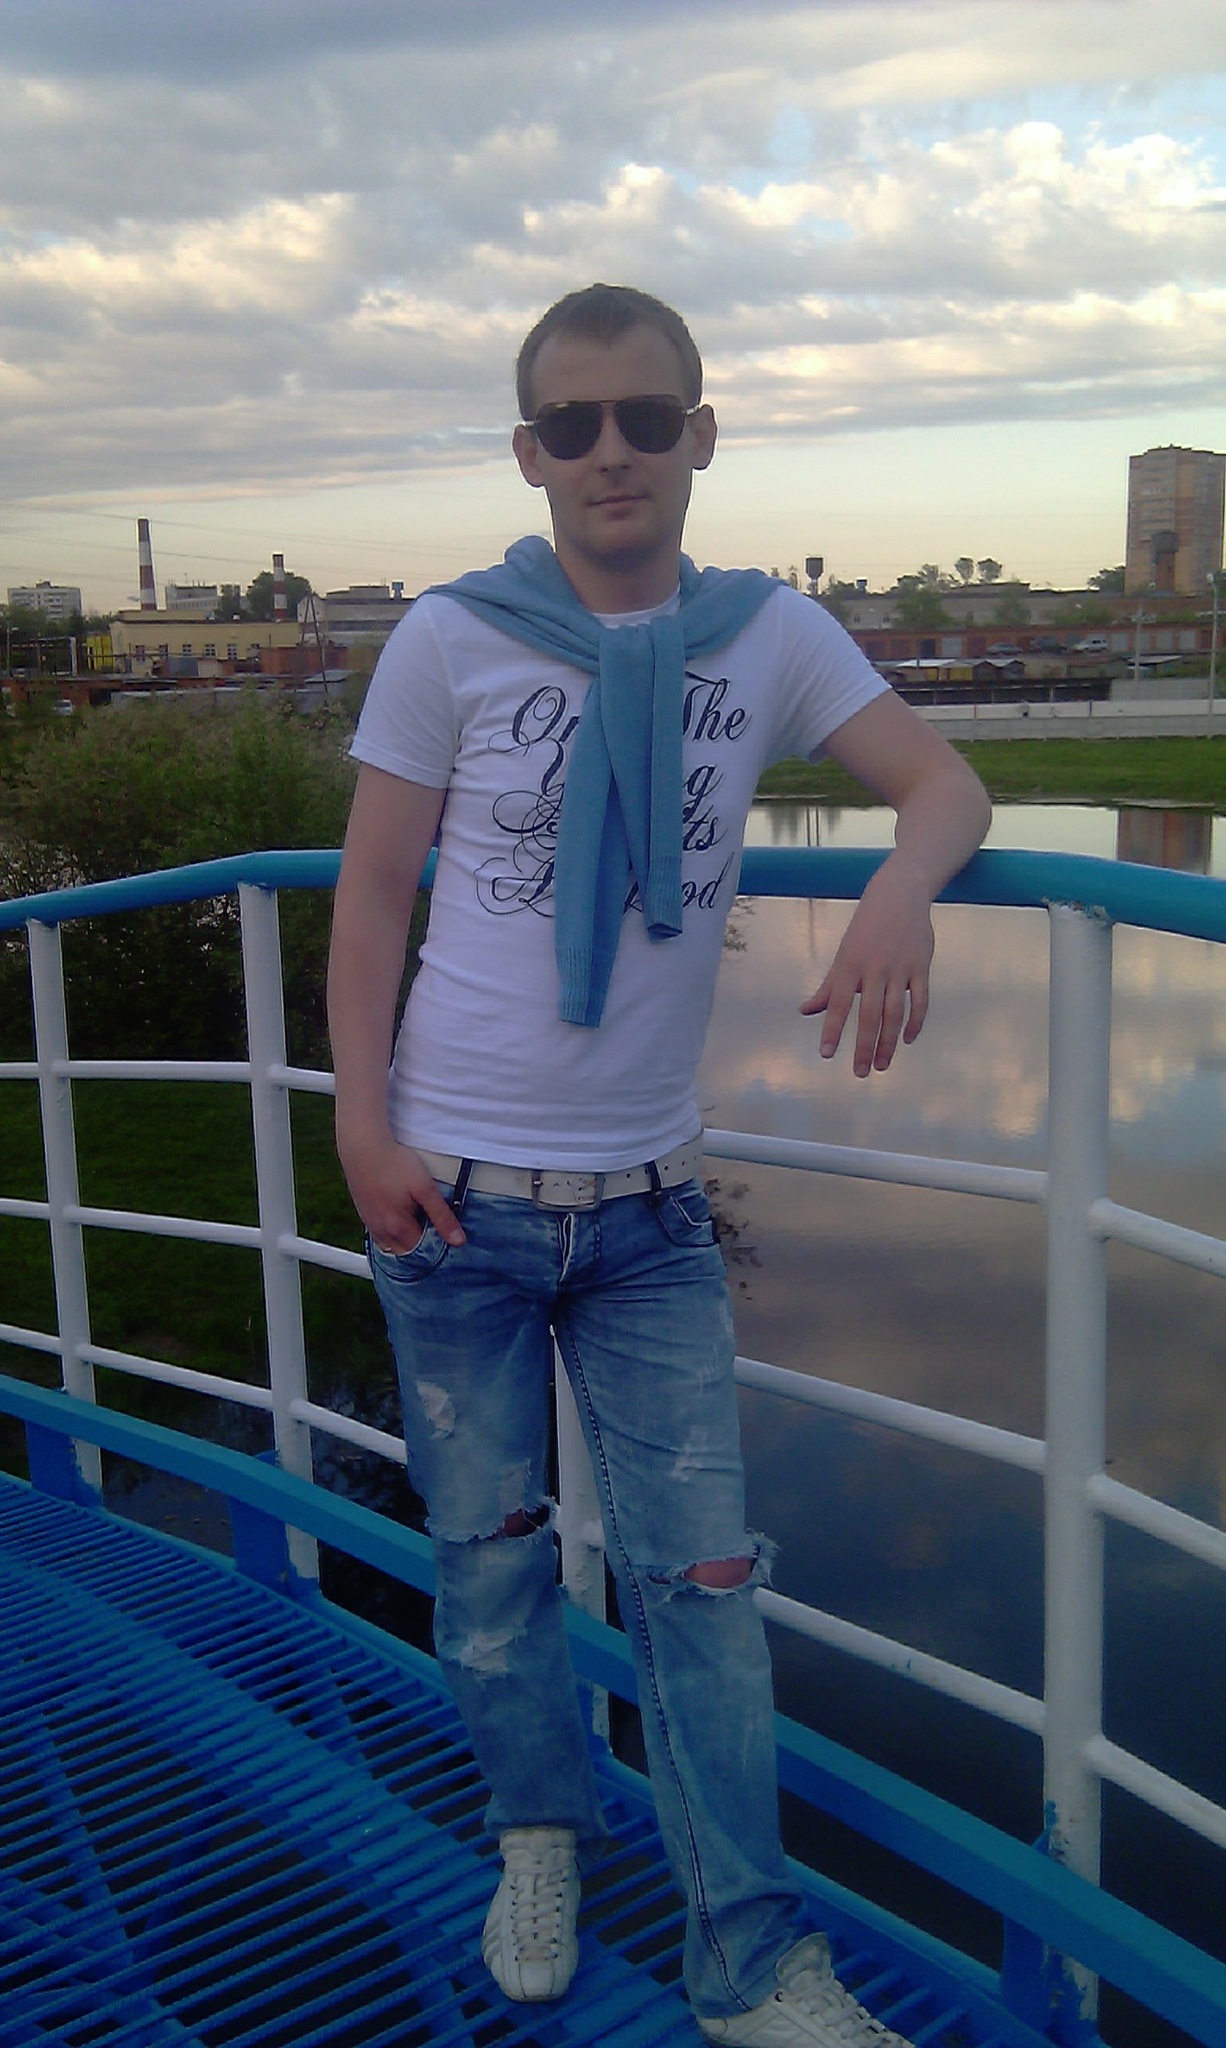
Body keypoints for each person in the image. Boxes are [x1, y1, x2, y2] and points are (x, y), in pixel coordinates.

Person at [327, 283, 991, 2047]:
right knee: (487, 1561)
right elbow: (374, 897)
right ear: (528, 451)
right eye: (571, 425)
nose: (607, 452)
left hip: (645, 1211)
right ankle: (537, 1836)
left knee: (702, 1588)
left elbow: (941, 786)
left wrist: (899, 891)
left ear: (700, 434)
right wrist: (360, 1126)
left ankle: (747, 1961)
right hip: (453, 1195)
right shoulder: (451, 638)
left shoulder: (763, 634)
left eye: (641, 418)